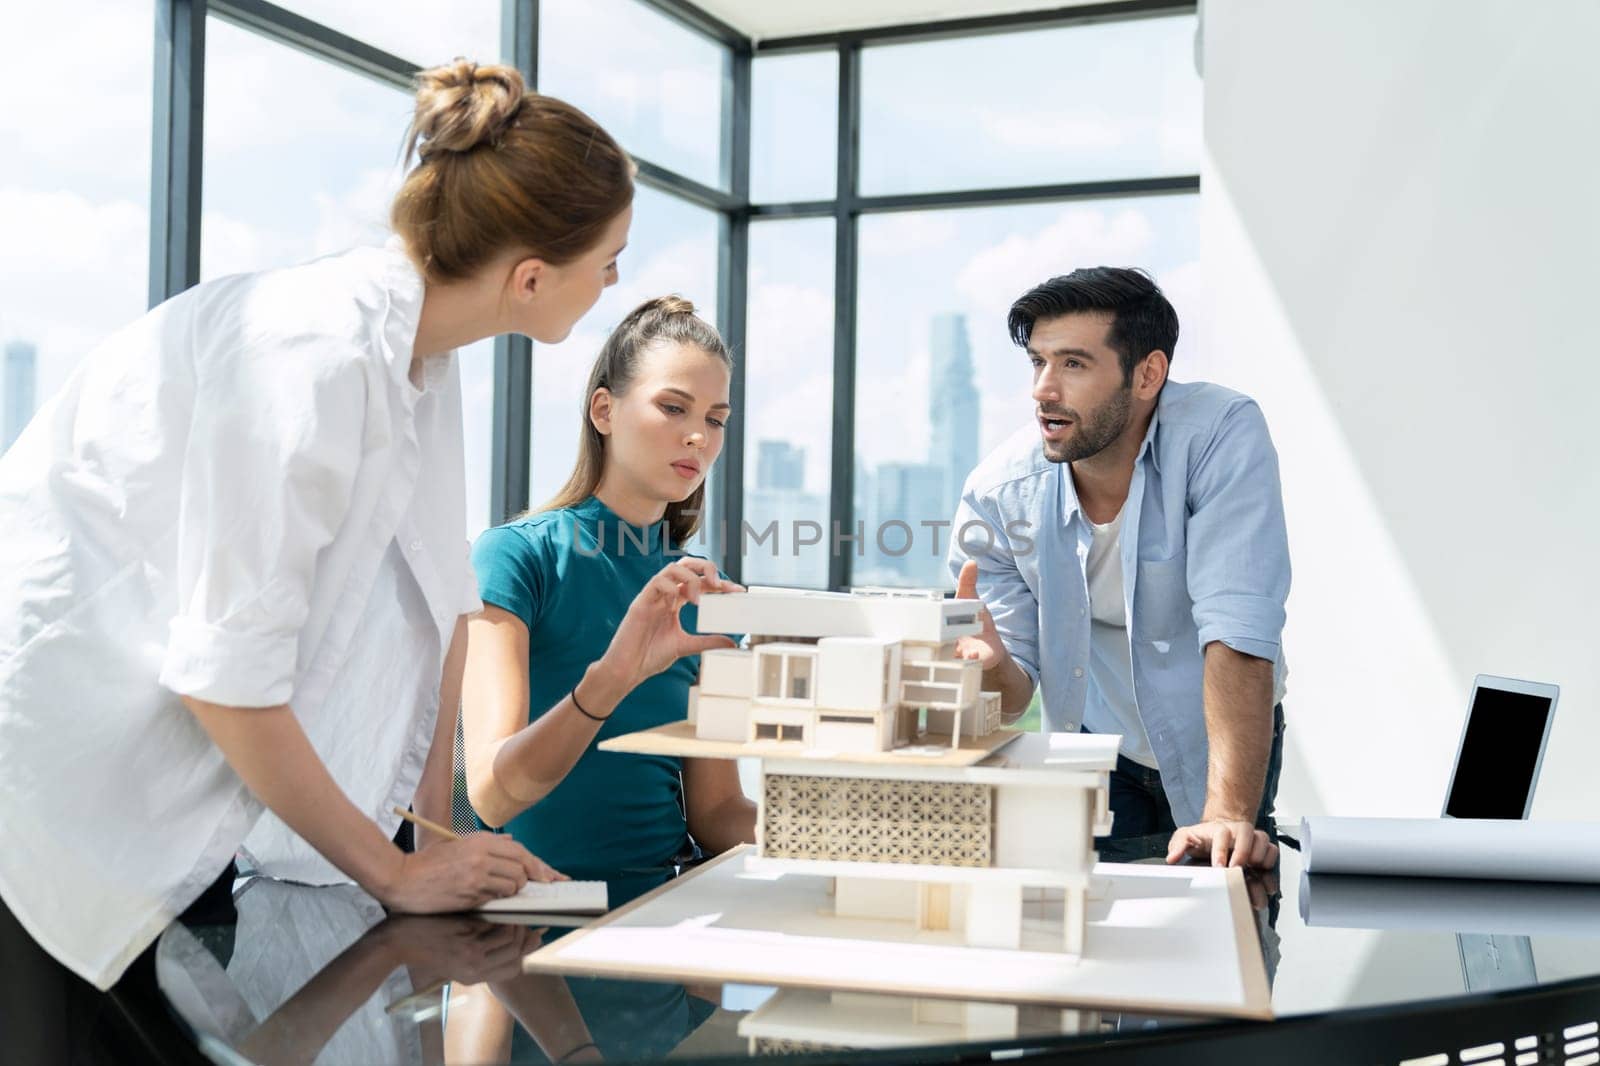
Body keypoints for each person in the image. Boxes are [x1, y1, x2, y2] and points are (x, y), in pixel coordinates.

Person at [0, 58, 634, 1008]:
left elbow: (437, 607)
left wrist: (439, 846)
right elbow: (226, 675)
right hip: (55, 773)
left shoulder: (426, 354)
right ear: (533, 278)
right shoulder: (314, 353)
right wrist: (392, 874)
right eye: (610, 259)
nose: (617, 280)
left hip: (167, 792)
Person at [948, 268, 1289, 869]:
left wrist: (1227, 813)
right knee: (1105, 929)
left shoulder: (1219, 434)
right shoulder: (998, 494)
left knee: (1232, 914)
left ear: (1148, 375)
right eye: (1038, 363)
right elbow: (1012, 694)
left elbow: (1237, 626)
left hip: (1220, 739)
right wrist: (995, 661)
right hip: (1096, 746)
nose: (1043, 391)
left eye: (1073, 364)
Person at [461, 296, 756, 879]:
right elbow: (491, 796)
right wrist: (614, 676)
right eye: (674, 407)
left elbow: (717, 812)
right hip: (533, 917)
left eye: (715, 419)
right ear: (604, 411)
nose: (699, 436)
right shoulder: (517, 557)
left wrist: (850, 832)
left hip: (665, 912)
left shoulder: (702, 594)